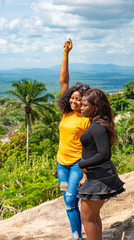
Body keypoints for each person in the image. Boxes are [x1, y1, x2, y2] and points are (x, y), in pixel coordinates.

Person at [77, 88, 125, 240]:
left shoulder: (98, 127)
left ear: (95, 107)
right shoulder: (98, 123)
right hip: (98, 174)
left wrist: (82, 163)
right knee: (93, 216)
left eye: (85, 105)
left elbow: (104, 154)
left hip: (99, 177)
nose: (81, 107)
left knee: (87, 218)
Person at [57, 38, 91, 240]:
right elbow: (63, 81)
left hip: (78, 165)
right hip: (62, 164)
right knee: (68, 203)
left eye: (79, 99)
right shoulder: (66, 113)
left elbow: (92, 148)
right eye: (72, 97)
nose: (74, 101)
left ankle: (77, 236)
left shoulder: (86, 119)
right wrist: (66, 54)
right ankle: (77, 236)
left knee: (71, 200)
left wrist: (87, 173)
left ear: (85, 101)